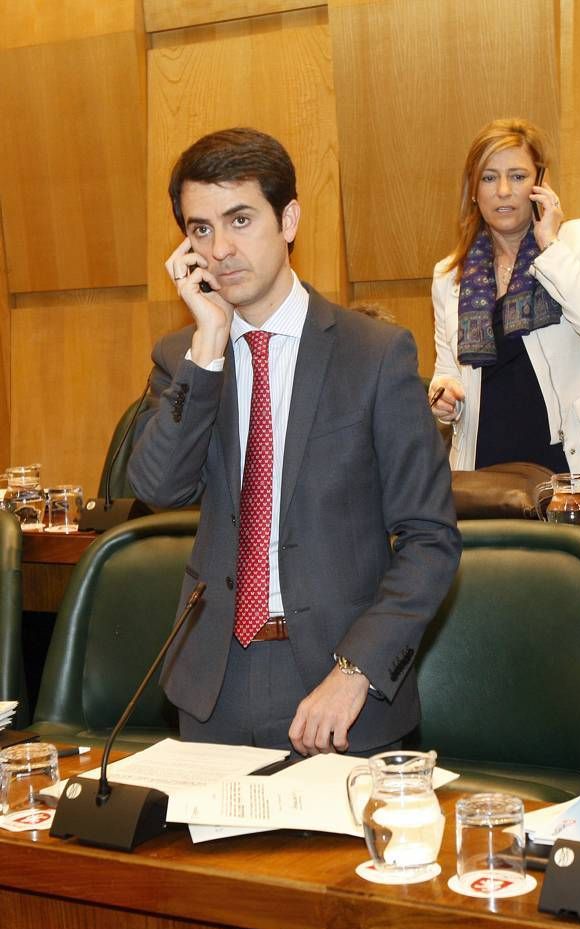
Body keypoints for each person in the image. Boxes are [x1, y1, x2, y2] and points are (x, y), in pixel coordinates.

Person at [128, 127, 460, 756]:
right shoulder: (184, 357)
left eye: (240, 219)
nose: (220, 248)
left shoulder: (375, 354)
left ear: (289, 220)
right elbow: (157, 488)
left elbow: (430, 539)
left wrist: (358, 669)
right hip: (213, 681)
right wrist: (206, 346)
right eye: (200, 229)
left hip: (341, 686)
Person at [429, 118, 580, 520]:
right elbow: (447, 369)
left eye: (518, 176)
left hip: (574, 460)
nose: (503, 191)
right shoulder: (450, 275)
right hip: (485, 466)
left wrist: (550, 246)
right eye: (489, 178)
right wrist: (444, 397)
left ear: (540, 183)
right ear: (473, 190)